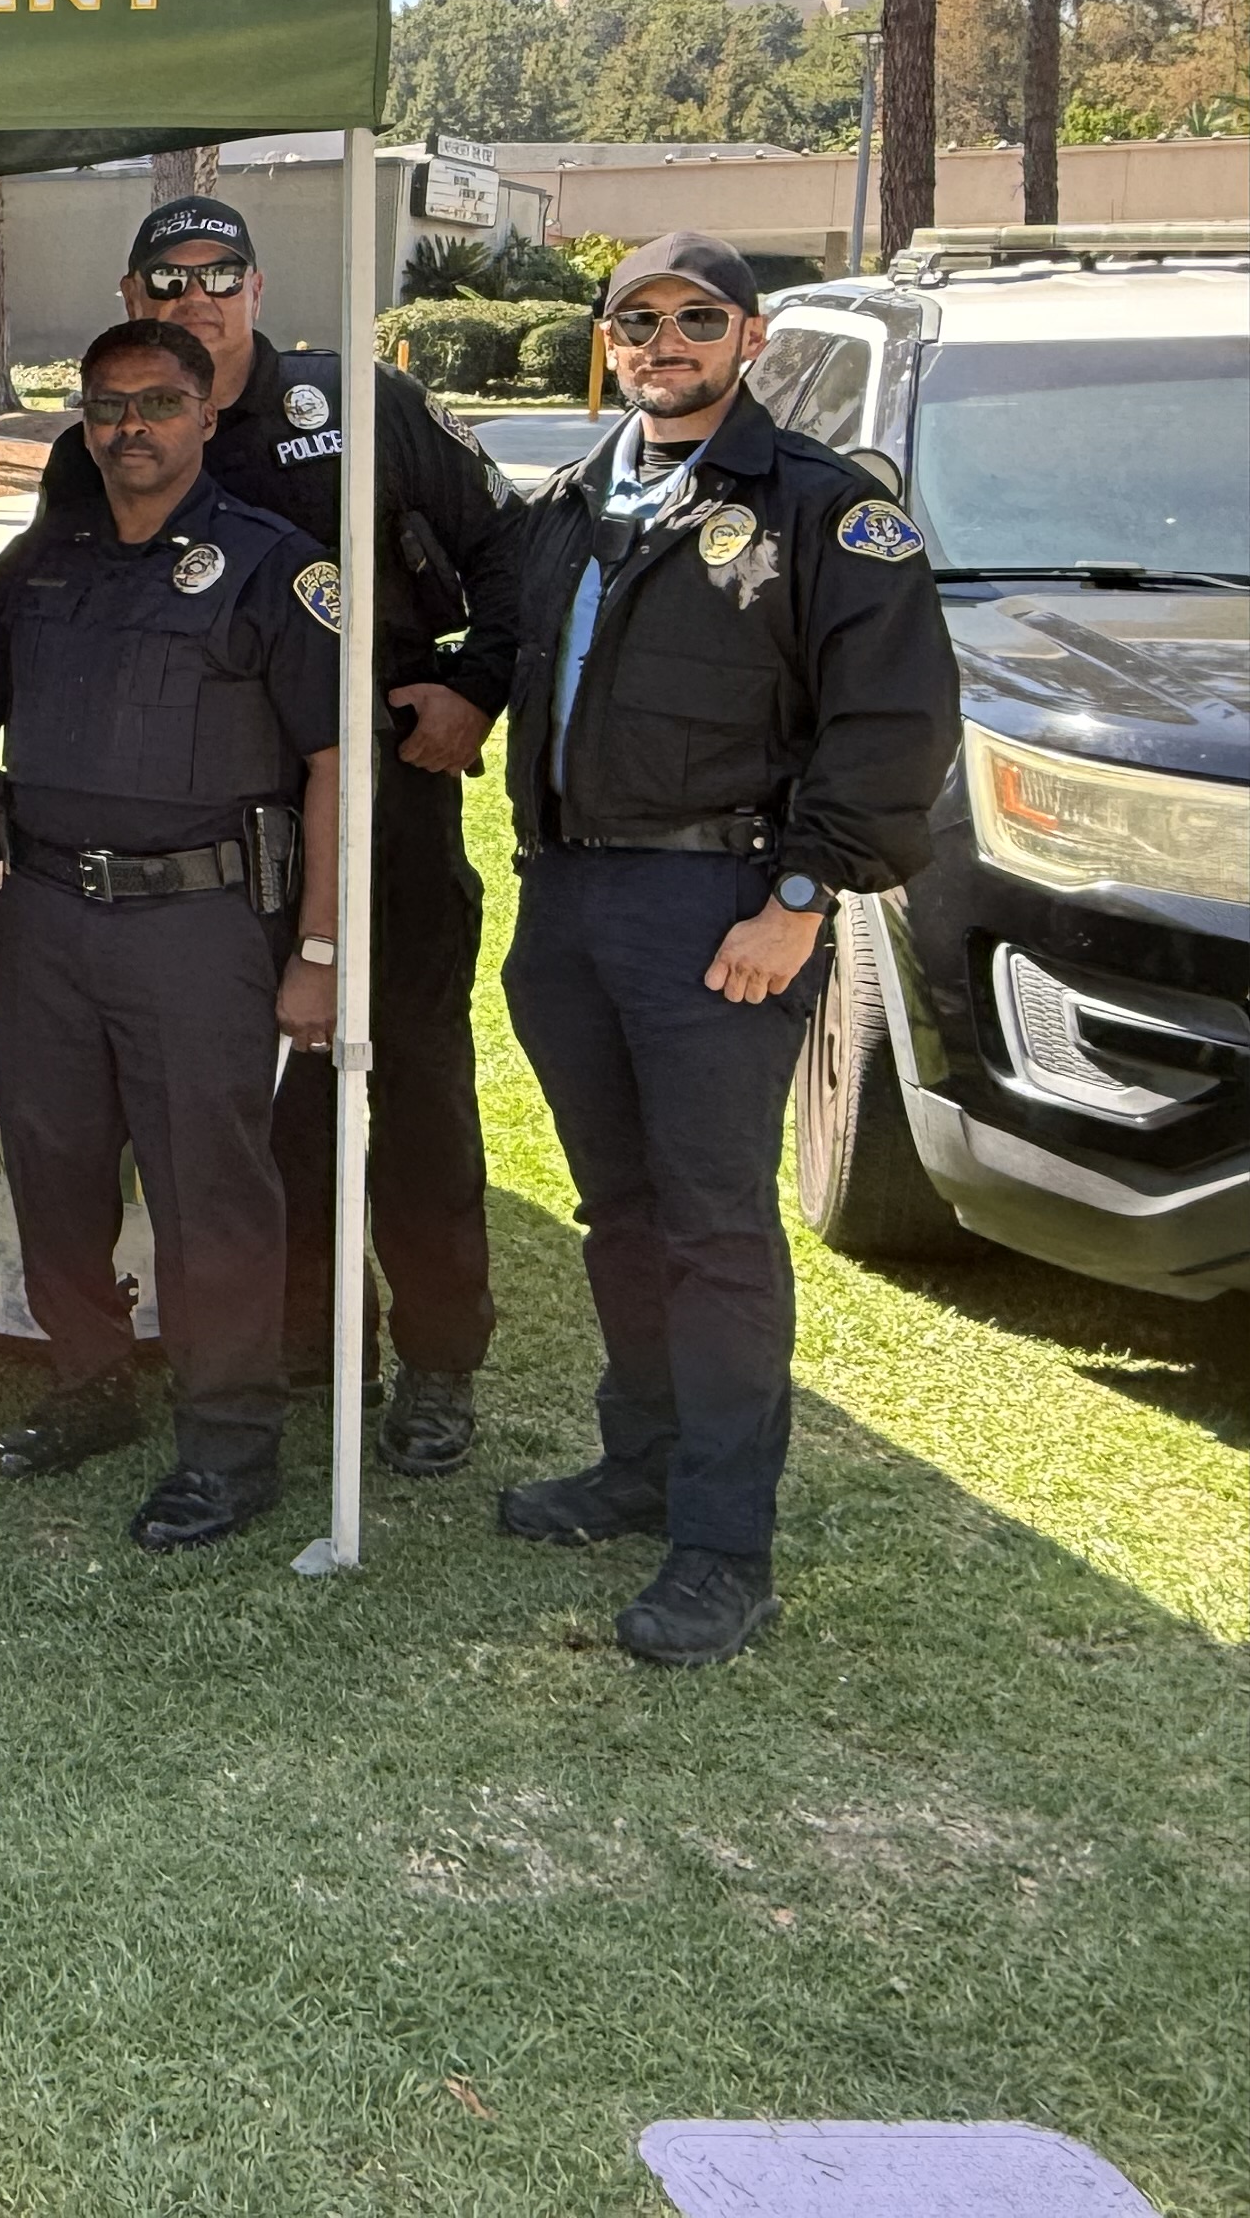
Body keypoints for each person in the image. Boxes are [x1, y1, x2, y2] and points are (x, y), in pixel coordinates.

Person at [493, 233, 957, 1667]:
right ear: (610, 343)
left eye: (697, 318)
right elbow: (498, 654)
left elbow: (893, 729)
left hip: (722, 919)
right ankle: (638, 1465)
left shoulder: (824, 510)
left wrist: (804, 899)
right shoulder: (571, 502)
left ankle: (722, 1546)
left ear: (749, 339)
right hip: (568, 906)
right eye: (640, 319)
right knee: (620, 1214)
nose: (666, 340)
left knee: (715, 1230)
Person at [34, 194, 522, 1470]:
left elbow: (513, 547)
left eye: (219, 274)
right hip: (217, 839)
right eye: (165, 279)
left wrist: (477, 686)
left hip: (383, 793)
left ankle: (437, 1358)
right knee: (266, 1102)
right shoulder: (110, 428)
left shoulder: (357, 405)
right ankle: (307, 1340)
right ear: (134, 298)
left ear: (258, 286)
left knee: (407, 1079)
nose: (193, 297)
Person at [0, 318, 341, 1553]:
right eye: (108, 407)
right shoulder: (41, 562)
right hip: (45, 913)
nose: (131, 429)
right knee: (52, 1168)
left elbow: (336, 767)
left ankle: (230, 1442)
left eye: (159, 403)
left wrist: (319, 950)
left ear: (207, 414)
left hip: (200, 922)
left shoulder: (276, 565)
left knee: (209, 1187)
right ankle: (90, 1384)